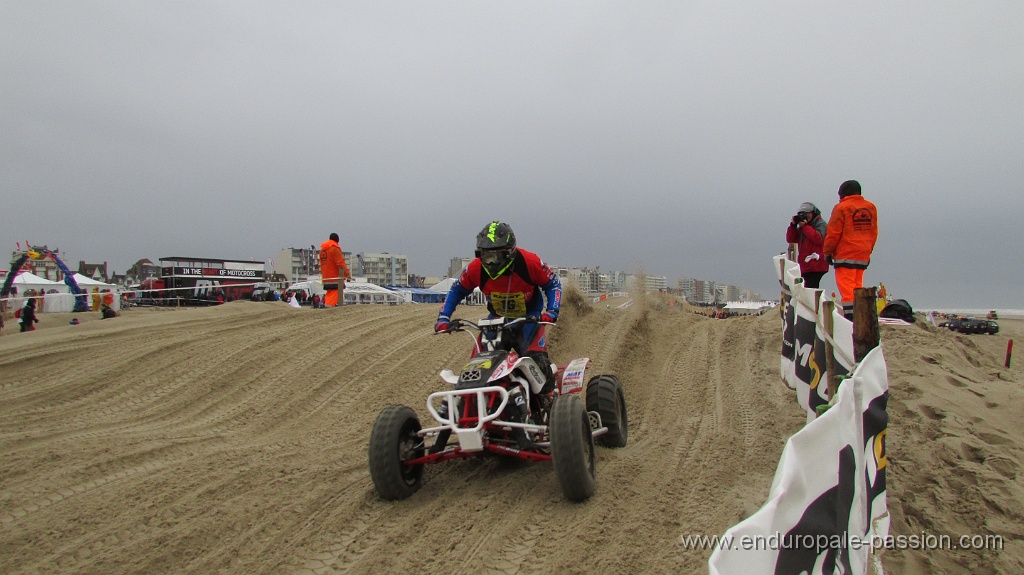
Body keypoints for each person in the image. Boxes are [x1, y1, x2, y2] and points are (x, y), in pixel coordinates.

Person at [433, 221, 561, 449]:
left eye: (494, 256)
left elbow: (553, 284)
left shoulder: (529, 262)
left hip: (528, 319)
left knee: (538, 365)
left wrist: (551, 311)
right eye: (485, 256)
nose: (489, 262)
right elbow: (457, 290)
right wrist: (444, 318)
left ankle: (553, 405)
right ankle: (475, 413)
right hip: (496, 321)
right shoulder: (475, 268)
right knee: (476, 372)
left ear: (509, 252)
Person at [823, 180, 878, 319]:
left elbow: (834, 233)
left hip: (845, 253)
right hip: (863, 253)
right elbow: (873, 232)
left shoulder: (842, 208)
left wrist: (828, 252)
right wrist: (868, 250)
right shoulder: (871, 207)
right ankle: (860, 315)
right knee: (858, 286)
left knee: (847, 288)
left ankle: (850, 317)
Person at [785, 201, 829, 289]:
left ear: (813, 213)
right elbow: (791, 239)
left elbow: (818, 238)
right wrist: (793, 225)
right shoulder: (804, 227)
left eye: (807, 214)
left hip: (817, 265)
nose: (805, 217)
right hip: (805, 265)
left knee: (810, 290)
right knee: (806, 290)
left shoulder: (821, 224)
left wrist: (804, 227)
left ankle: (814, 302)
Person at [319, 233, 351, 307]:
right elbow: (340, 263)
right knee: (335, 294)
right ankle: (330, 309)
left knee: (329, 293)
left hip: (326, 278)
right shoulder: (334, 249)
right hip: (335, 277)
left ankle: (327, 306)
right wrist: (347, 274)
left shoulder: (322, 250)